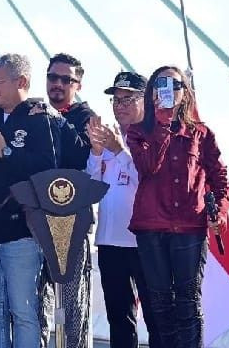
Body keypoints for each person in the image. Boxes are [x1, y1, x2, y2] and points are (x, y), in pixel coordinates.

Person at [127, 66, 229, 348]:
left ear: (185, 94)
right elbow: (148, 167)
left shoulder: (202, 133)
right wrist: (162, 125)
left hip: (190, 227)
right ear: (151, 94)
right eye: (160, 84)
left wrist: (218, 212)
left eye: (175, 85)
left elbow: (221, 180)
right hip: (151, 229)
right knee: (159, 304)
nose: (168, 90)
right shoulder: (138, 132)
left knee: (188, 303)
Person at [0, 54, 59, 348]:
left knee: (23, 312)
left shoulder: (38, 118)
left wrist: (6, 152)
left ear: (21, 82)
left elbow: (47, 169)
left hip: (22, 235)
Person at [86, 72, 160, 348]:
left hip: (144, 241)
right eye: (116, 100)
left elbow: (149, 180)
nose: (120, 105)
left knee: (155, 316)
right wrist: (95, 152)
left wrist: (118, 150)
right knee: (119, 317)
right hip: (109, 241)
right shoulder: (106, 138)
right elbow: (90, 187)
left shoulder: (154, 138)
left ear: (146, 101)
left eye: (128, 98)